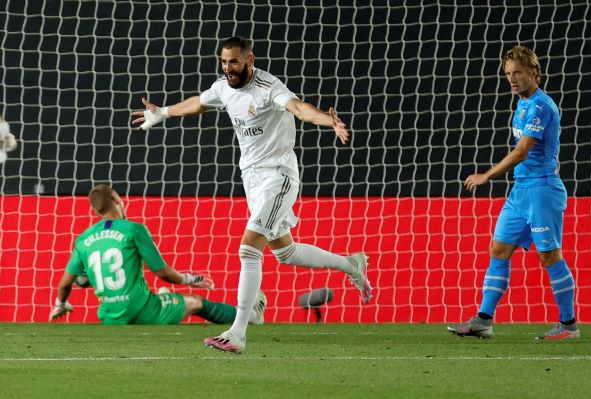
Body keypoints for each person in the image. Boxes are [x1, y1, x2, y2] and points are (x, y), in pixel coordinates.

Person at [132, 36, 372, 353]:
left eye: (234, 61)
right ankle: (352, 265)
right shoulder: (223, 87)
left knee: (248, 249)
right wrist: (163, 112)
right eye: (224, 61)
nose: (228, 68)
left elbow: (299, 109)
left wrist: (329, 121)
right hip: (253, 180)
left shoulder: (269, 87)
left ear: (249, 60)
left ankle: (238, 333)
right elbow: (199, 102)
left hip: (279, 177)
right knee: (285, 252)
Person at [447, 46, 578, 340]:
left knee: (549, 256)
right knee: (499, 249)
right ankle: (483, 320)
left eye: (517, 72)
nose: (512, 79)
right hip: (521, 192)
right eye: (508, 74)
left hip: (543, 190)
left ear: (534, 73)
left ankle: (569, 325)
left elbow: (521, 152)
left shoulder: (541, 106)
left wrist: (487, 176)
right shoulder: (522, 105)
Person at [50, 184, 267, 326]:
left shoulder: (83, 239)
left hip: (109, 318)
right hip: (142, 311)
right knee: (195, 302)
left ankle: (165, 298)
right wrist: (192, 279)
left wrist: (61, 304)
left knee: (163, 293)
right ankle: (251, 317)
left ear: (97, 211)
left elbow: (65, 283)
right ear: (117, 200)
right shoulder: (133, 229)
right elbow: (163, 272)